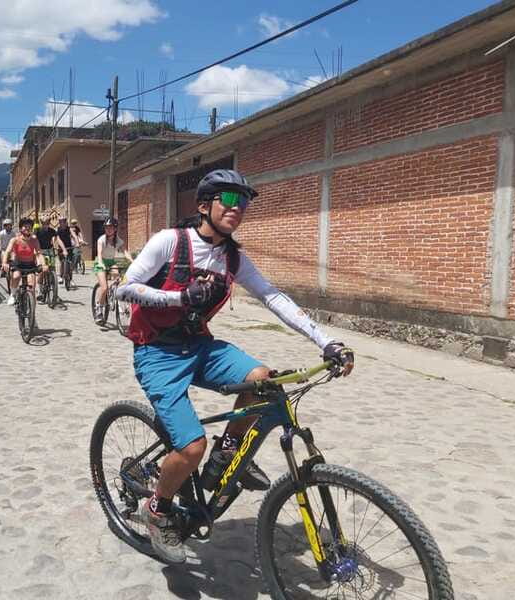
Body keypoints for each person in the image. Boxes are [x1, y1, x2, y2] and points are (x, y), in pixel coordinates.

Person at [115, 169, 355, 563]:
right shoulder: (170, 241)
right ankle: (157, 509)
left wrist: (325, 340)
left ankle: (226, 455)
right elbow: (127, 286)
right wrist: (179, 298)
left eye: (242, 202)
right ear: (204, 205)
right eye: (228, 199)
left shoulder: (232, 257)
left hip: (201, 346)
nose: (237, 208)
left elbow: (272, 296)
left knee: (262, 380)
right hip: (157, 352)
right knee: (191, 446)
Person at [93, 217, 133, 322]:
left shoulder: (118, 240)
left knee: (117, 276)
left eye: (110, 227)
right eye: (106, 227)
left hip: (111, 262)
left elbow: (125, 252)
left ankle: (113, 291)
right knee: (104, 288)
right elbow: (99, 253)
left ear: (115, 229)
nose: (108, 229)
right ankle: (99, 308)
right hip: (100, 263)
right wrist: (101, 263)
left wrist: (132, 261)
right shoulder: (101, 239)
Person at [2, 217, 43, 306]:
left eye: (29, 227)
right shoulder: (15, 240)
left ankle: (31, 312)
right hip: (18, 264)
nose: (27, 228)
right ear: (20, 229)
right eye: (25, 226)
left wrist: (42, 264)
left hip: (30, 265)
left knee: (31, 285)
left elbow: (39, 253)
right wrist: (4, 263)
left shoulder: (34, 240)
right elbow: (7, 251)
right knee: (16, 276)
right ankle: (12, 294)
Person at [35, 216, 66, 300]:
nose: (46, 225)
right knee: (42, 271)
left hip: (50, 251)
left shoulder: (52, 231)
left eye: (48, 223)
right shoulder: (37, 232)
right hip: (40, 252)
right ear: (41, 223)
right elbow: (34, 242)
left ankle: (55, 293)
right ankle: (40, 291)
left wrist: (63, 249)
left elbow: (58, 239)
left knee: (52, 270)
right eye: (44, 223)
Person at [55, 216, 74, 284]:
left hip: (69, 248)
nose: (62, 223)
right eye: (60, 222)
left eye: (63, 221)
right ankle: (60, 276)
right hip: (60, 248)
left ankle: (71, 279)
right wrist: (54, 246)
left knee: (70, 264)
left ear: (66, 222)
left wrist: (77, 243)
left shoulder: (69, 229)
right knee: (62, 262)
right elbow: (56, 239)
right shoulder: (58, 229)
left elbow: (74, 235)